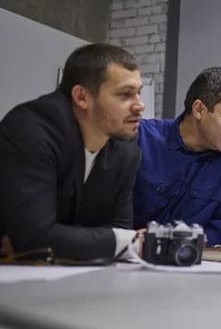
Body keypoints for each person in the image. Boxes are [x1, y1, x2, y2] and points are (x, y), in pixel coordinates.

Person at [0, 44, 144, 261]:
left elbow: (118, 228)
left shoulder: (126, 151)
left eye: (138, 93)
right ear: (82, 97)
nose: (140, 105)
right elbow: (35, 239)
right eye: (125, 95)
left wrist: (59, 242)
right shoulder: (31, 128)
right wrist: (125, 241)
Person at [132, 67, 221, 247]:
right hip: (124, 259)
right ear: (199, 109)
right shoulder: (141, 138)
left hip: (191, 265)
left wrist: (164, 241)